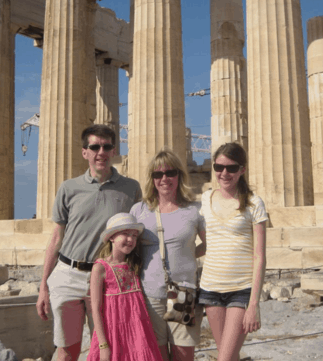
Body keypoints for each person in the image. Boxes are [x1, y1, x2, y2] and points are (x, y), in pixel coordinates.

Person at [35, 124, 142, 361]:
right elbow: (56, 237)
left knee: (107, 347)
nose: (100, 152)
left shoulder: (131, 188)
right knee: (66, 350)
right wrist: (44, 285)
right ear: (85, 152)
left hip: (107, 278)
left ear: (114, 150)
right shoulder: (69, 188)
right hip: (68, 274)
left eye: (106, 147)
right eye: (94, 147)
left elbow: (136, 234)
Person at [130, 148, 207, 361]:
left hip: (182, 292)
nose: (164, 179)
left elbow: (210, 244)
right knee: (157, 355)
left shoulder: (194, 209)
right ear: (152, 179)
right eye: (158, 174)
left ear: (179, 175)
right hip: (149, 293)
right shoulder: (139, 211)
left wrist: (188, 255)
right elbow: (128, 248)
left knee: (183, 354)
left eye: (170, 173)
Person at [198, 142, 267, 361]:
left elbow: (260, 256)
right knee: (229, 356)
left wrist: (254, 304)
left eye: (231, 168)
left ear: (242, 170)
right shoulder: (205, 199)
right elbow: (208, 243)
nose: (224, 173)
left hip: (240, 290)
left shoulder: (254, 203)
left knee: (225, 358)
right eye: (219, 167)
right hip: (210, 288)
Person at [88, 213, 162, 361]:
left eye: (134, 236)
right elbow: (95, 308)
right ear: (111, 237)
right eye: (125, 234)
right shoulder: (100, 268)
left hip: (139, 334)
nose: (131, 240)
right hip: (113, 335)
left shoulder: (134, 264)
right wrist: (103, 345)